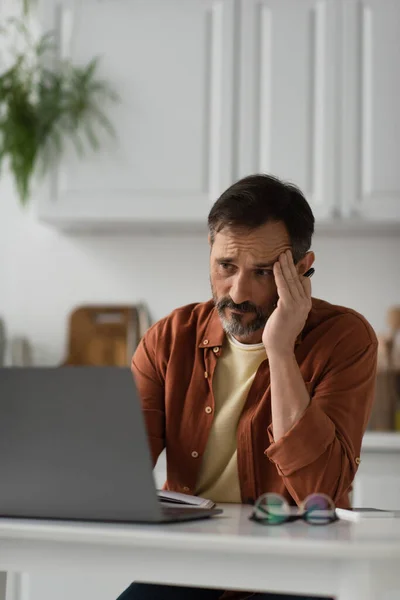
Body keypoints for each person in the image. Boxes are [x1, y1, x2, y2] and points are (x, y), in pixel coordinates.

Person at [117, 174, 378, 600]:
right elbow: (117, 475)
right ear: (210, 253)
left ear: (301, 268)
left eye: (262, 273)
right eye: (225, 267)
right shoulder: (170, 337)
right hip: (186, 564)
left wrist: (279, 349)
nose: (238, 292)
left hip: (293, 568)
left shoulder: (344, 339)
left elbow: (321, 492)